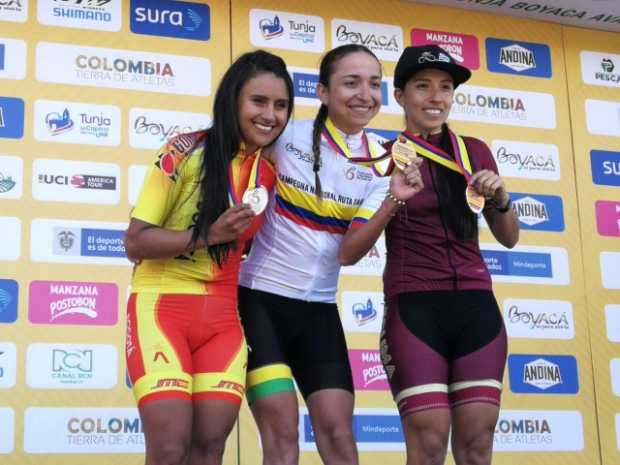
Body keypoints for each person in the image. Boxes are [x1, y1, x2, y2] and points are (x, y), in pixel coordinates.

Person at [238, 44, 423, 465]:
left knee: (339, 436)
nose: (365, 94)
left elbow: (348, 254)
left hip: (318, 311)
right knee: (282, 434)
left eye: (374, 84)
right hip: (258, 303)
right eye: (351, 82)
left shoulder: (383, 161)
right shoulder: (286, 134)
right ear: (322, 91)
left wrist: (392, 201)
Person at [122, 50, 294, 465]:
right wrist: (208, 235)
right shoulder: (182, 152)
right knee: (168, 448)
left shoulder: (268, 172)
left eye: (281, 105)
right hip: (161, 309)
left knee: (209, 449)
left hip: (222, 320)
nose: (270, 115)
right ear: (233, 98)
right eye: (259, 101)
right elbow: (135, 242)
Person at [380, 44, 520, 465]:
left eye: (445, 87)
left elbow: (509, 238)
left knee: (477, 445)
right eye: (423, 86)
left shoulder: (474, 151)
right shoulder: (383, 156)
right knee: (427, 446)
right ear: (401, 95)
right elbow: (356, 236)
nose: (435, 97)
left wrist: (501, 197)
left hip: (476, 305)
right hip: (414, 306)